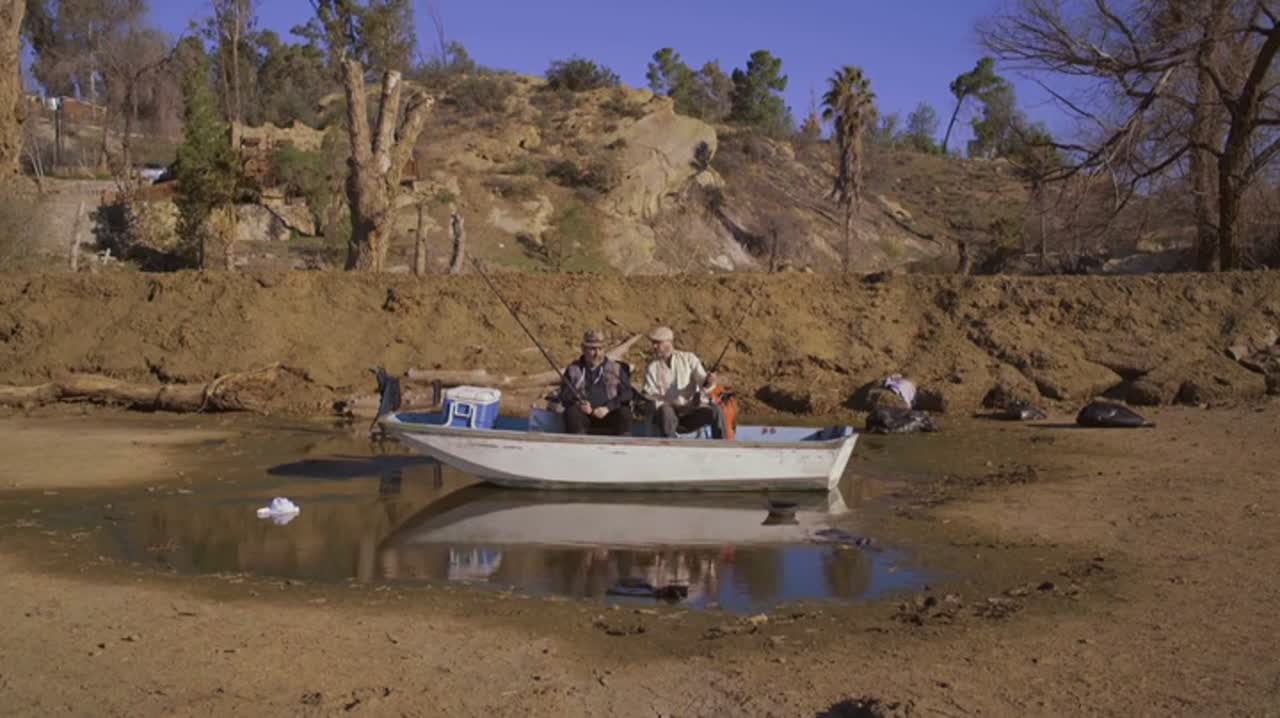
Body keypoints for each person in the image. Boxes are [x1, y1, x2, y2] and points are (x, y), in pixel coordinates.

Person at [642, 325, 724, 439]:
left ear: (668, 342)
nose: (654, 346)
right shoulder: (652, 367)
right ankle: (670, 445)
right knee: (666, 411)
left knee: (715, 410)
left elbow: (704, 383)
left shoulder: (689, 358)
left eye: (657, 343)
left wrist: (709, 381)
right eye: (653, 343)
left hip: (690, 414)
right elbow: (650, 396)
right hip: (667, 417)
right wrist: (672, 404)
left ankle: (721, 444)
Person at [559, 329, 634, 435]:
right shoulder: (573, 369)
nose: (597, 353)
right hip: (584, 416)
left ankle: (622, 444)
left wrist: (608, 408)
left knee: (625, 413)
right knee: (571, 413)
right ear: (583, 349)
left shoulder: (617, 369)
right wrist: (579, 404)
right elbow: (564, 394)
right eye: (592, 349)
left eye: (600, 349)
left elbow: (627, 394)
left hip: (609, 415)